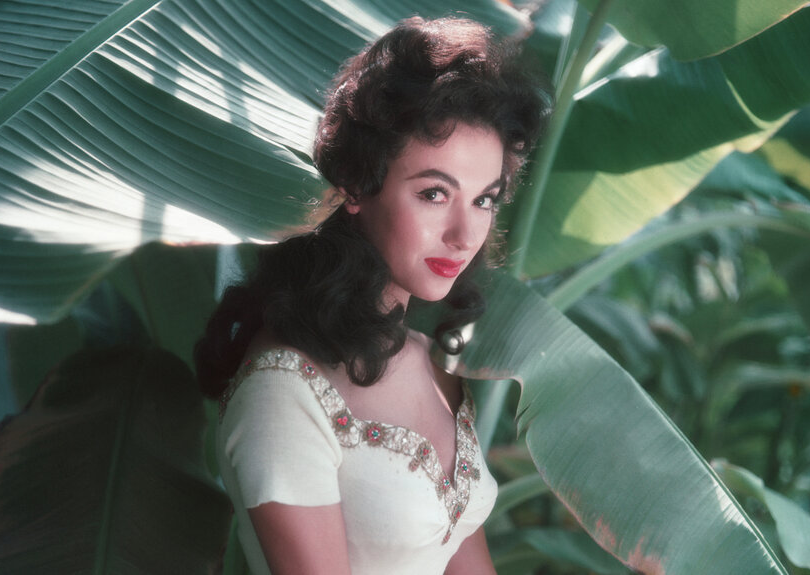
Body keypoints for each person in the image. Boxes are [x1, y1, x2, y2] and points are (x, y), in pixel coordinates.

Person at [194, 15, 549, 575]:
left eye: (485, 199)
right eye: (435, 193)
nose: (463, 235)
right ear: (358, 184)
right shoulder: (283, 392)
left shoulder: (431, 366)